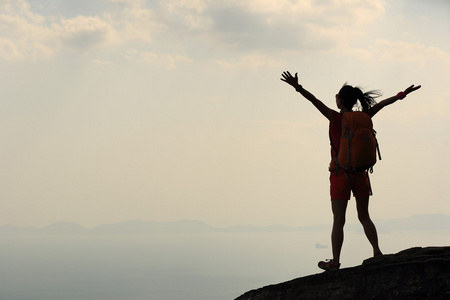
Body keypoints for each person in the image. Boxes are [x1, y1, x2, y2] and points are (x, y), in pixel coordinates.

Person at [280, 71, 421, 271]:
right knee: (364, 216)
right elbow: (381, 105)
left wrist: (297, 86)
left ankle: (335, 262)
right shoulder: (364, 116)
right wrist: (401, 95)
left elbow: (314, 100)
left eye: (336, 97)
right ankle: (377, 252)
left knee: (339, 220)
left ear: (340, 101)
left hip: (340, 174)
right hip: (360, 173)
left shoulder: (336, 118)